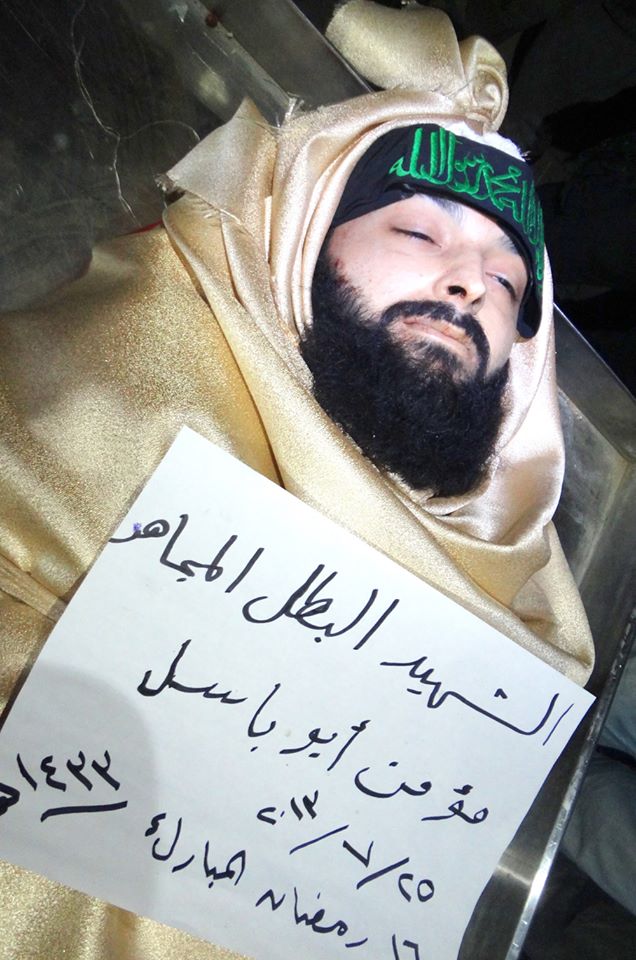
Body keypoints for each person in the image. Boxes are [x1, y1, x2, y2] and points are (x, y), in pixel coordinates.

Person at [0, 9, 593, 960]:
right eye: (419, 229)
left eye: (507, 284)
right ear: (309, 230)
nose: (469, 286)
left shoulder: (519, 586)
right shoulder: (86, 388)